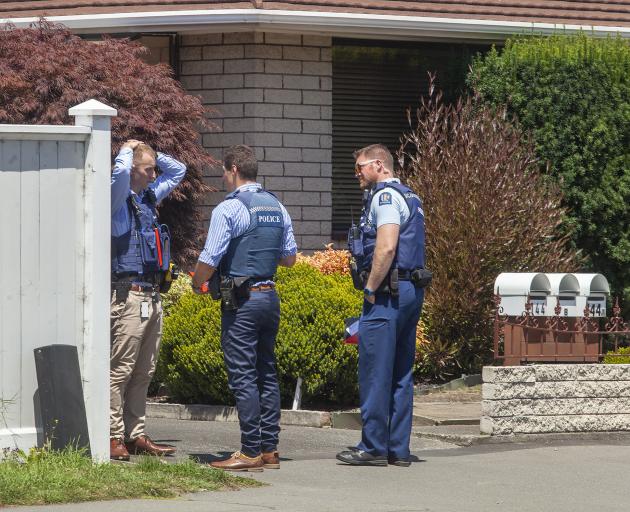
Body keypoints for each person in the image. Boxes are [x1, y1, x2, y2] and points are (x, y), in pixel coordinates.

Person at [192, 144, 297, 472]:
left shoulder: (229, 209)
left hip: (243, 301)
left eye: (224, 171)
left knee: (243, 374)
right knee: (266, 370)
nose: (223, 177)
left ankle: (249, 450)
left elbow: (210, 257)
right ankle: (270, 449)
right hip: (270, 298)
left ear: (234, 169)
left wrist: (196, 283)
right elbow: (290, 258)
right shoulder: (277, 206)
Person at [337, 143, 427, 467]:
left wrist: (370, 289)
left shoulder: (385, 197)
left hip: (388, 294)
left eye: (360, 167)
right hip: (411, 292)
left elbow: (386, 247)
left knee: (375, 371)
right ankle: (397, 449)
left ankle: (373, 446)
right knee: (401, 372)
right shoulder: (411, 196)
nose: (357, 173)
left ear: (379, 165)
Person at [110, 139, 186, 461]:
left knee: (144, 371)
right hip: (127, 296)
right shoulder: (116, 200)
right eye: (148, 169)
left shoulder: (148, 199)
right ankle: (112, 435)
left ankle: (135, 434)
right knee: (121, 369)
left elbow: (179, 170)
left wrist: (150, 151)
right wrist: (128, 149)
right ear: (133, 171)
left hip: (151, 296)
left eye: (155, 169)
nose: (155, 174)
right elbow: (122, 171)